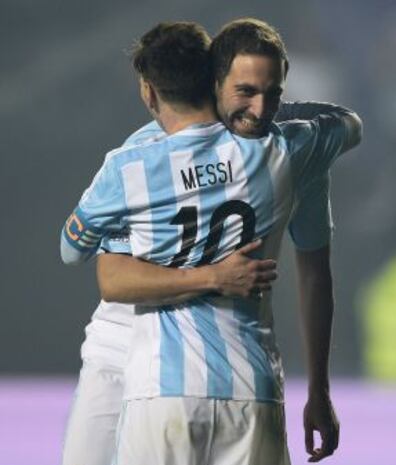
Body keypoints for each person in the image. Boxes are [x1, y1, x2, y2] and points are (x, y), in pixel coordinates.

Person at [61, 19, 361, 465]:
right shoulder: (157, 148)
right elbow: (114, 276)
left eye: (272, 94)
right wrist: (214, 277)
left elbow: (316, 274)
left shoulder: (294, 156)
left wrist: (319, 387)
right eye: (245, 92)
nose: (260, 110)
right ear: (213, 82)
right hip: (126, 341)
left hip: (203, 374)